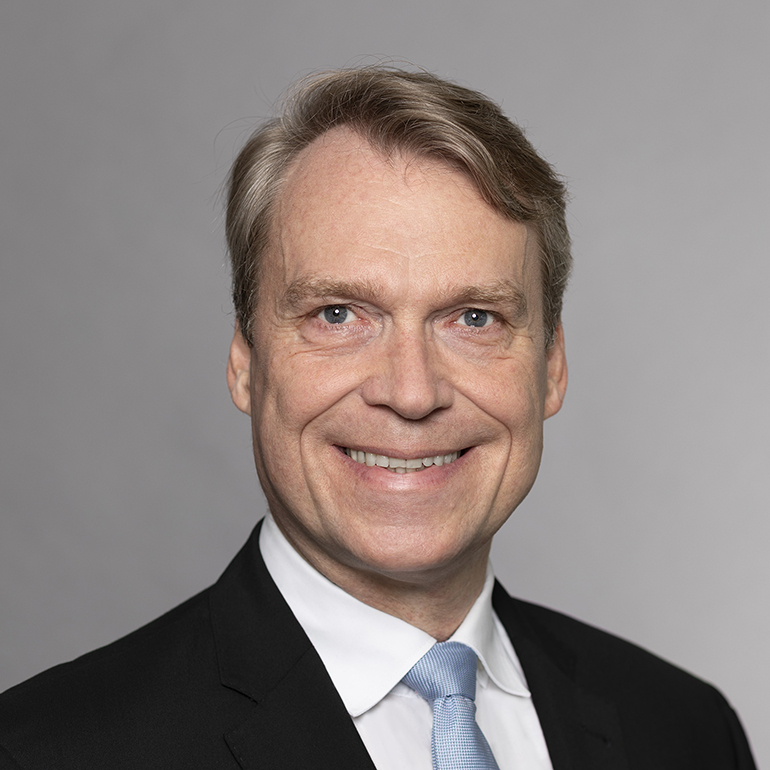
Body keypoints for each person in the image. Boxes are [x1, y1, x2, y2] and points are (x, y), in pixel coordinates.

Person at [0, 66, 756, 769]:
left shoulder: (686, 731)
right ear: (246, 361)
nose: (412, 392)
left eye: (474, 318)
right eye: (338, 314)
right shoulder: (49, 750)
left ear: (551, 365)